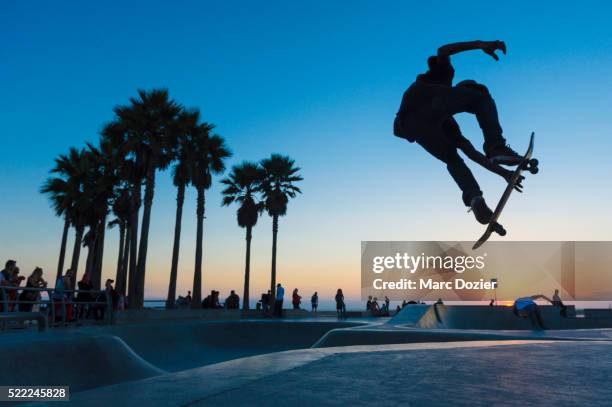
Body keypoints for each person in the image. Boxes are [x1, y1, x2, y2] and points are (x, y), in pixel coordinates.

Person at [394, 40, 525, 226]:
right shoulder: (444, 76)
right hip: (423, 97)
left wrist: (504, 173)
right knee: (482, 100)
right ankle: (496, 146)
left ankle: (475, 199)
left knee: (453, 160)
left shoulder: (447, 124)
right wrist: (481, 44)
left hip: (412, 125)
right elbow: (442, 50)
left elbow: (472, 154)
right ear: (463, 89)